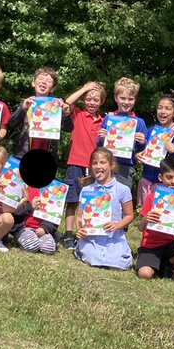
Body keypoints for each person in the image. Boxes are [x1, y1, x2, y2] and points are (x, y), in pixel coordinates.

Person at [60, 80, 106, 250]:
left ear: (101, 102)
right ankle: (69, 234)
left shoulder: (104, 121)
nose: (92, 103)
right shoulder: (77, 113)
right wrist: (85, 88)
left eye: (96, 100)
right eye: (88, 98)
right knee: (72, 201)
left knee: (90, 203)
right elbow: (66, 103)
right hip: (76, 163)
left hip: (95, 167)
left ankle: (85, 234)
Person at [74, 146, 134, 269]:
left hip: (114, 238)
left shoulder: (123, 189)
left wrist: (117, 225)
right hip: (91, 238)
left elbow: (129, 215)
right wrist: (80, 230)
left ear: (111, 165)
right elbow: (79, 216)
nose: (98, 166)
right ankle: (84, 249)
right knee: (92, 257)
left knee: (122, 261)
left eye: (102, 162)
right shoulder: (87, 190)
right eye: (94, 163)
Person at [135, 156, 174, 279]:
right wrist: (146, 218)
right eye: (169, 177)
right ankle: (158, 265)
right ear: (160, 177)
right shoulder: (151, 198)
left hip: (170, 244)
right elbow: (140, 228)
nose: (173, 182)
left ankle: (168, 264)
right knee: (145, 274)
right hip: (151, 245)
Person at [136, 93, 174, 206]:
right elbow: (144, 152)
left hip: (166, 183)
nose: (162, 111)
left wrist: (173, 152)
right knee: (146, 215)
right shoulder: (151, 131)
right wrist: (139, 154)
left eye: (167, 108)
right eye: (160, 107)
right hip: (147, 180)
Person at [99, 77, 147, 188]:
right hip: (105, 164)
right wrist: (101, 138)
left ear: (135, 99)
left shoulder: (139, 122)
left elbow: (144, 150)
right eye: (122, 98)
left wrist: (142, 141)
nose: (126, 102)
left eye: (130, 99)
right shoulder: (108, 119)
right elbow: (99, 145)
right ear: (116, 97)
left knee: (122, 201)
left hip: (125, 168)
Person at [8, 66, 60, 159]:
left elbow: (68, 128)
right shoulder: (26, 103)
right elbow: (12, 124)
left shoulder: (56, 106)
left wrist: (66, 114)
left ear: (53, 88)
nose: (44, 82)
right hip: (24, 154)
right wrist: (23, 109)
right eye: (40, 79)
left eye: (48, 81)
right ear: (33, 83)